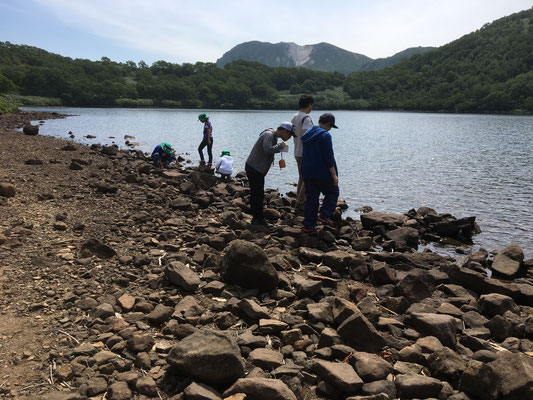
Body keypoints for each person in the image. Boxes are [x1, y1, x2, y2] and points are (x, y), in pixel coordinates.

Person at [245, 122, 295, 226]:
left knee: (257, 194)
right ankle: (259, 220)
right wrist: (280, 146)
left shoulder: (273, 136)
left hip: (255, 168)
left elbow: (268, 149)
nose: (289, 137)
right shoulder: (269, 135)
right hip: (254, 168)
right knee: (257, 195)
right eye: (290, 135)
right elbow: (267, 150)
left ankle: (256, 218)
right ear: (285, 131)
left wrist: (279, 146)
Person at [301, 113, 339, 233]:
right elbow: (329, 157)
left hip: (308, 172)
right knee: (333, 191)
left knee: (311, 199)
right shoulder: (325, 135)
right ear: (328, 124)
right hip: (322, 173)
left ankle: (308, 225)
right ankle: (324, 214)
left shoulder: (308, 133)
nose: (330, 129)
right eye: (331, 126)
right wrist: (334, 175)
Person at [291, 94, 314, 213]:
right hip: (305, 153)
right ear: (310, 104)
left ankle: (299, 200)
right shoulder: (306, 118)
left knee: (302, 177)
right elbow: (306, 135)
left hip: (296, 151)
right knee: (307, 178)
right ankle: (300, 203)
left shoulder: (294, 117)